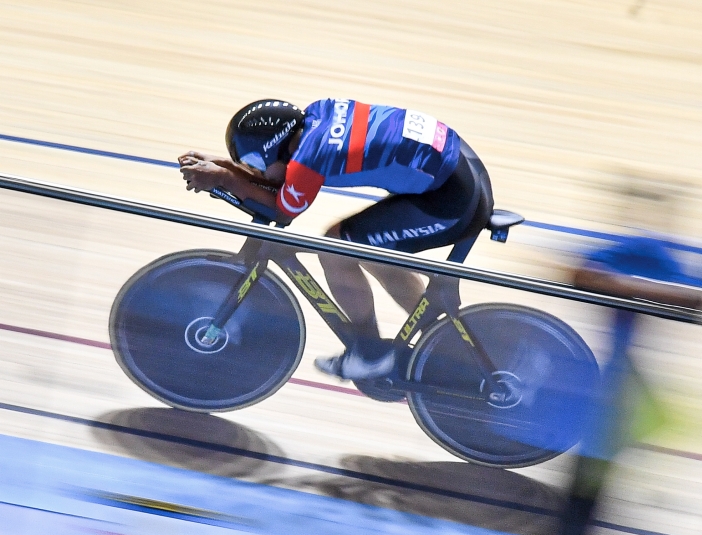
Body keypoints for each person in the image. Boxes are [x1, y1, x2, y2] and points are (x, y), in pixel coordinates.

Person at [177, 99, 493, 380]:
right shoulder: (317, 115)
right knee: (369, 250)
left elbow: (280, 210)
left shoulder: (310, 158)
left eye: (256, 164)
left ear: (275, 147)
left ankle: (369, 355)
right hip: (463, 173)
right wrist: (224, 167)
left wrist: (226, 179)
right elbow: (277, 180)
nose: (255, 171)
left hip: (449, 202)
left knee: (335, 249)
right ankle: (444, 343)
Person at [526, 233, 702, 535]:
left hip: (618, 418)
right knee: (575, 530)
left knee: (577, 530)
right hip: (609, 422)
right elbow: (577, 273)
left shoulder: (648, 258)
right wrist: (642, 293)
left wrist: (628, 290)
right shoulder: (648, 258)